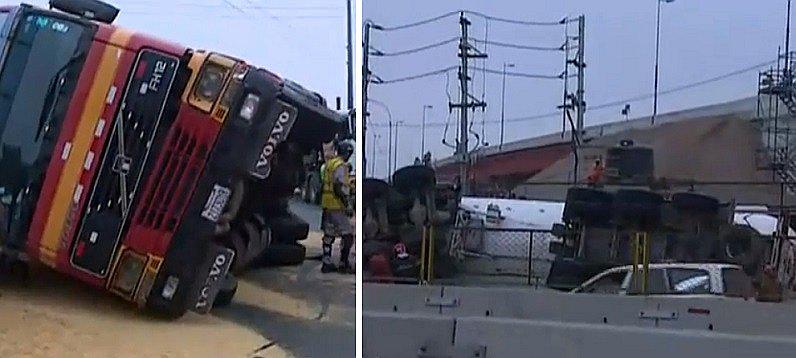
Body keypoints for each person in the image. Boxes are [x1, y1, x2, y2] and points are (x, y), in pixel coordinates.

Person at [320, 140, 355, 274]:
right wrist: (347, 204)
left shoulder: (330, 164)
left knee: (328, 234)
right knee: (348, 235)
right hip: (336, 204)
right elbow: (338, 186)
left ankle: (326, 262)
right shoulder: (340, 166)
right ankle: (343, 263)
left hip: (327, 203)